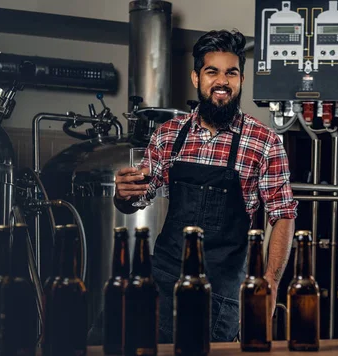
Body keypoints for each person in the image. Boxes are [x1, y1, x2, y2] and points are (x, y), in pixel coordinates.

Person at [114, 29, 297, 342]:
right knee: (111, 342)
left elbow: (282, 216)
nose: (223, 81)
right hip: (162, 279)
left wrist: (270, 283)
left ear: (240, 79)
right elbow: (138, 196)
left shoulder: (264, 142)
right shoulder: (168, 135)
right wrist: (124, 194)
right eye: (212, 71)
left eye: (232, 73)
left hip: (221, 292)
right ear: (196, 78)